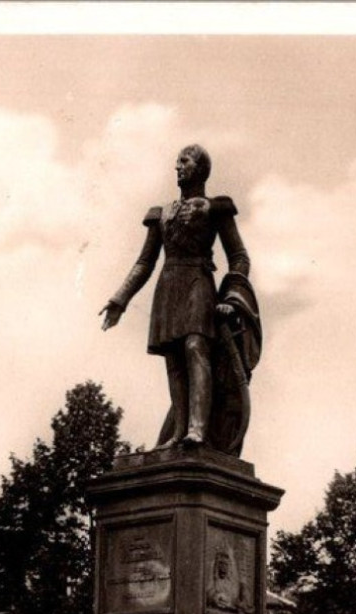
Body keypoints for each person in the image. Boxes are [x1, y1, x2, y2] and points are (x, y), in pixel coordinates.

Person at [101, 145, 260, 454]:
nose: (177, 167)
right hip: (168, 285)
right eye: (176, 162)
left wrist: (231, 297)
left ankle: (197, 430)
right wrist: (120, 298)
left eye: (184, 161)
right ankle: (178, 433)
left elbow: (239, 257)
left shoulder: (216, 208)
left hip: (198, 282)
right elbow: (144, 262)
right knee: (174, 360)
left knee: (194, 347)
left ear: (201, 168)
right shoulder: (162, 213)